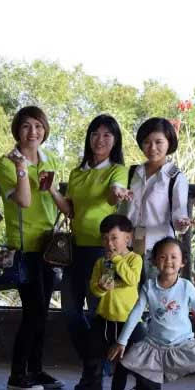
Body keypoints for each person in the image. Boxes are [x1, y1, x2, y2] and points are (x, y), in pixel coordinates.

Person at [49, 114, 130, 362]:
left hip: (105, 253)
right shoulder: (77, 173)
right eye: (95, 134)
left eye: (107, 135)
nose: (100, 139)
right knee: (70, 311)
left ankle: (97, 367)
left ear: (115, 141)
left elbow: (113, 194)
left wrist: (118, 193)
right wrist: (51, 189)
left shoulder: (118, 170)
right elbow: (70, 210)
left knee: (99, 310)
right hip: (75, 250)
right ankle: (92, 361)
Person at [0, 106, 64, 390]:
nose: (33, 132)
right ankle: (17, 375)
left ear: (45, 129)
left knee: (42, 313)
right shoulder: (5, 163)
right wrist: (22, 168)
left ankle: (36, 370)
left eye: (38, 126)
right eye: (26, 126)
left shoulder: (50, 159)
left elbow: (56, 201)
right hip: (24, 247)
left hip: (48, 245)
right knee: (33, 312)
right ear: (17, 130)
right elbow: (24, 201)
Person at [108, 237, 195, 390]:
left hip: (184, 344)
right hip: (153, 345)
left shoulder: (186, 287)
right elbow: (135, 314)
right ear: (154, 261)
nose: (168, 261)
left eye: (174, 257)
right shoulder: (149, 287)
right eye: (162, 257)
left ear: (182, 262)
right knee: (122, 365)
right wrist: (122, 341)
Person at [75, 214, 145, 390]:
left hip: (129, 321)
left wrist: (116, 259)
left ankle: (146, 387)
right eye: (105, 238)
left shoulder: (135, 259)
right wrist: (101, 287)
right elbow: (94, 288)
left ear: (127, 238)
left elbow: (132, 279)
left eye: (114, 238)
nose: (109, 243)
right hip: (104, 319)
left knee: (139, 361)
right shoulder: (100, 262)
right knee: (92, 359)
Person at [120, 117, 191, 279]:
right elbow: (123, 212)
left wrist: (182, 222)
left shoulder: (175, 177)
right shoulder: (132, 173)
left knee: (156, 293)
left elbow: (179, 215)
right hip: (128, 248)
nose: (152, 148)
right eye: (147, 142)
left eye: (159, 142)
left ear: (169, 143)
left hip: (158, 251)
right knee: (127, 293)